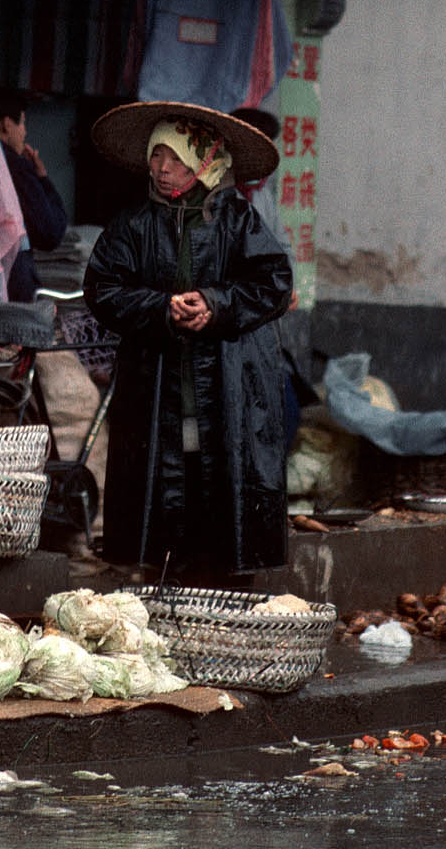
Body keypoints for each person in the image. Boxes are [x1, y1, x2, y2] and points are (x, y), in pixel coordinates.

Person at [83, 100, 291, 581]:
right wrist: (161, 308)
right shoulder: (134, 225)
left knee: (221, 481)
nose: (160, 168)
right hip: (159, 383)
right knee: (165, 491)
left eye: (173, 158)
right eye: (156, 156)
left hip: (228, 383)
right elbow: (103, 288)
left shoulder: (238, 220)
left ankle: (226, 598)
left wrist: (215, 305)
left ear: (201, 162)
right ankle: (170, 592)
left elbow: (273, 282)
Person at [0, 86, 69, 302]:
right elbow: (50, 232)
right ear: (5, 125)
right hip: (13, 285)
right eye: (22, 122)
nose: (24, 131)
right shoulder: (15, 166)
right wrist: (42, 179)